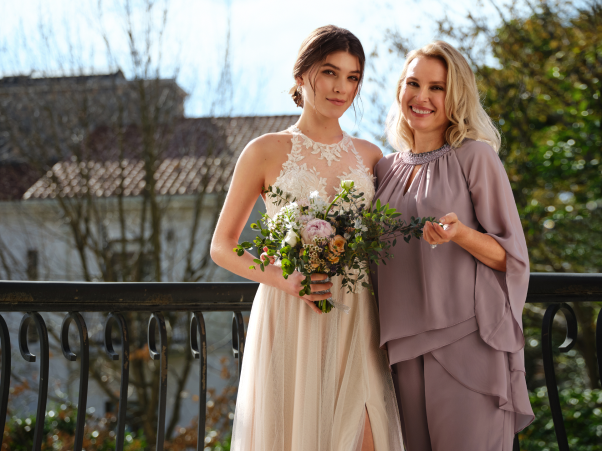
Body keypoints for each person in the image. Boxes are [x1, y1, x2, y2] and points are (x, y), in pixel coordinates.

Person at [210, 25, 403, 451]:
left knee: (367, 437)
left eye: (353, 77)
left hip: (358, 315)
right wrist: (285, 278)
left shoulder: (371, 156)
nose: (341, 87)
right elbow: (222, 246)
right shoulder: (264, 150)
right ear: (301, 76)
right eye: (330, 72)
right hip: (292, 311)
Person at [372, 40, 535, 451]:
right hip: (401, 349)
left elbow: (511, 257)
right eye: (413, 83)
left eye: (437, 87)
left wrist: (460, 234)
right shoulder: (383, 170)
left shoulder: (475, 156)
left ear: (456, 95)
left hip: (468, 342)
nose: (422, 97)